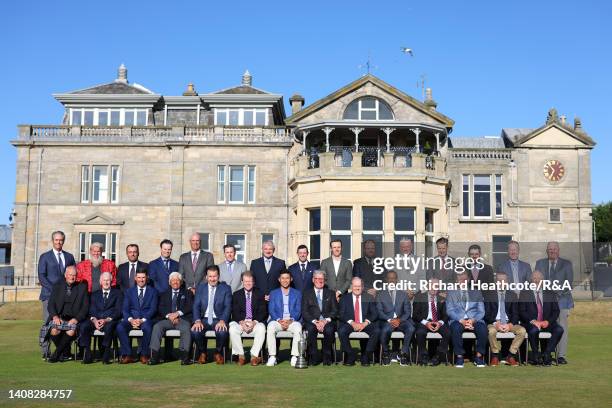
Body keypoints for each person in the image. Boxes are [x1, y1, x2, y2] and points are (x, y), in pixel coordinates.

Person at [38, 231, 76, 356]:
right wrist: (55, 291)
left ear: (63, 241)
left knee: (65, 323)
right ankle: (45, 351)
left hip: (66, 297)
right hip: (49, 295)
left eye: (61, 240)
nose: (59, 242)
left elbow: (72, 274)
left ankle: (65, 350)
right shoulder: (45, 257)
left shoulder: (69, 257)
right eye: (56, 240)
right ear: (52, 240)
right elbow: (42, 276)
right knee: (47, 323)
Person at [535, 241, 573, 365]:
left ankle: (561, 355)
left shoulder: (567, 264)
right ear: (547, 251)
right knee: (545, 325)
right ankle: (547, 352)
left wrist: (556, 294)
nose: (552, 251)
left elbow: (569, 284)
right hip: (545, 301)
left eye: (554, 249)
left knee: (561, 328)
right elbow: (537, 281)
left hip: (562, 301)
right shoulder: (540, 263)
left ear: (558, 250)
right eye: (550, 249)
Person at [519, 270, 564, 366]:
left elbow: (556, 311)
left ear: (543, 281)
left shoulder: (550, 293)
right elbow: (521, 311)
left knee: (559, 330)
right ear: (531, 280)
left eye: (539, 278)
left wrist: (548, 321)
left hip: (547, 322)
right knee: (533, 331)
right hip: (531, 323)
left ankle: (546, 354)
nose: (536, 280)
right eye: (534, 278)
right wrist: (533, 321)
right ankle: (535, 355)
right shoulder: (524, 293)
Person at [149, 272, 193, 366]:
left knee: (186, 328)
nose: (175, 282)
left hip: (182, 319)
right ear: (169, 282)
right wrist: (169, 316)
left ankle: (184, 356)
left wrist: (177, 314)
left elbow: (190, 306)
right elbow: (160, 308)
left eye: (177, 280)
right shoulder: (164, 294)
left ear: (181, 282)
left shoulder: (188, 293)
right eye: (173, 280)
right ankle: (154, 356)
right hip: (167, 320)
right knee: (157, 326)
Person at [46, 266, 89, 363]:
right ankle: (65, 352)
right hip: (59, 317)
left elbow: (85, 308)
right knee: (54, 330)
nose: (72, 277)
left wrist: (76, 319)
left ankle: (56, 354)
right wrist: (55, 316)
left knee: (71, 330)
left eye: (74, 275)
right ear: (65, 275)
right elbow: (51, 304)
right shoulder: (57, 286)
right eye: (70, 275)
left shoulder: (82, 287)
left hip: (73, 319)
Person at [191, 265, 232, 365]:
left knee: (222, 331)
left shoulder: (226, 288)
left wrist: (223, 320)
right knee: (195, 331)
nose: (212, 279)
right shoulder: (200, 288)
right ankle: (203, 353)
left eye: (214, 276)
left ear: (218, 276)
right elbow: (196, 306)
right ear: (206, 277)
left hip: (218, 319)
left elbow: (228, 306)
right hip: (203, 319)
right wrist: (197, 320)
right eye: (210, 276)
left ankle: (217, 353)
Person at [79, 272, 123, 364]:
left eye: (108, 280)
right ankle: (87, 353)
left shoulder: (118, 293)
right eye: (104, 280)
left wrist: (106, 320)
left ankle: (106, 354)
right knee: (84, 326)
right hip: (95, 320)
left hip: (110, 320)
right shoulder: (94, 294)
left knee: (110, 327)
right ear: (100, 281)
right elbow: (91, 310)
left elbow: (118, 311)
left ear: (111, 281)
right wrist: (95, 321)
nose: (106, 282)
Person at [446, 271, 487, 368]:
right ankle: (459, 357)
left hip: (474, 319)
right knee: (456, 329)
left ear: (468, 280)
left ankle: (478, 356)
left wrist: (473, 320)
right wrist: (460, 320)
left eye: (464, 279)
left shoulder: (476, 292)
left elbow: (481, 311)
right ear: (456, 281)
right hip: (458, 320)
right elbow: (450, 310)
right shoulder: (451, 293)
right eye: (460, 280)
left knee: (483, 329)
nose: (463, 282)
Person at [484, 271, 526, 366]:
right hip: (494, 323)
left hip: (509, 323)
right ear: (495, 282)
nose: (501, 282)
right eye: (499, 280)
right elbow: (486, 314)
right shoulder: (489, 295)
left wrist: (510, 324)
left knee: (522, 331)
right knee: (491, 332)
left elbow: (516, 314)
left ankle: (510, 355)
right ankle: (495, 355)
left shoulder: (513, 295)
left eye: (504, 280)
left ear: (507, 282)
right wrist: (496, 323)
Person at [116, 270, 158, 364]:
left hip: (146, 319)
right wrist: (131, 320)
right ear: (135, 278)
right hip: (131, 319)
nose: (141, 280)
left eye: (143, 277)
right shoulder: (129, 291)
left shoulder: (153, 291)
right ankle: (128, 355)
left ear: (147, 278)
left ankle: (144, 355)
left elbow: (153, 309)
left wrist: (142, 320)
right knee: (120, 327)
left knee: (148, 328)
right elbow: (125, 309)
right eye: (139, 277)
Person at [337, 277, 379, 367]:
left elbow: (374, 313)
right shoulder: (344, 298)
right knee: (341, 331)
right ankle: (350, 355)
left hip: (364, 323)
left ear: (363, 287)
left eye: (359, 286)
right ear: (351, 286)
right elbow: (341, 314)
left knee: (376, 331)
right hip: (350, 323)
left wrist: (365, 323)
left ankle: (366, 356)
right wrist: (352, 323)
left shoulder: (369, 297)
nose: (357, 288)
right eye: (355, 286)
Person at [229, 271, 268, 366]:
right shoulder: (236, 294)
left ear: (253, 282)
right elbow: (235, 312)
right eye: (246, 281)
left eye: (250, 281)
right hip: (241, 322)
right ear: (242, 282)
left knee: (262, 328)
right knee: (232, 328)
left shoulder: (260, 293)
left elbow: (263, 312)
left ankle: (254, 356)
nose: (248, 283)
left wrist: (254, 323)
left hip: (254, 322)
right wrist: (242, 323)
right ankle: (241, 355)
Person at [376, 270, 415, 366]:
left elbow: (407, 312)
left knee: (411, 328)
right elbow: (379, 312)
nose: (391, 280)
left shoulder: (403, 295)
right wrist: (390, 320)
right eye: (389, 278)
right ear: (386, 280)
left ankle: (403, 353)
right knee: (384, 330)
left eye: (393, 278)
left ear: (396, 280)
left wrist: (399, 320)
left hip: (401, 321)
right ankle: (386, 353)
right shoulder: (381, 295)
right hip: (387, 321)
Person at [266, 270, 302, 367]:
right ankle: (272, 356)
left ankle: (294, 356)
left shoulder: (297, 293)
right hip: (278, 320)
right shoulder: (273, 293)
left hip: (292, 321)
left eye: (287, 278)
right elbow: (271, 309)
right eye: (283, 278)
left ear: (291, 279)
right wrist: (279, 320)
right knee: (270, 327)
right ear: (279, 279)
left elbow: (298, 310)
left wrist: (291, 320)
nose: (285, 280)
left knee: (298, 328)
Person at [301, 270, 338, 366]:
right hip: (312, 321)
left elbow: (335, 310)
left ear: (325, 280)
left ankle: (327, 357)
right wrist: (315, 322)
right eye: (317, 278)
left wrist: (326, 320)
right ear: (313, 280)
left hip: (327, 321)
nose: (319, 281)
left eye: (321, 279)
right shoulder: (306, 293)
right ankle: (313, 357)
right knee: (311, 330)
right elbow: (305, 311)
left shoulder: (330, 293)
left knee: (329, 330)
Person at [412, 278, 450, 366]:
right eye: (432, 285)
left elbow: (446, 315)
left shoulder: (442, 298)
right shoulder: (420, 297)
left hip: (437, 322)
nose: (434, 288)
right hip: (424, 322)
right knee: (420, 332)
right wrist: (426, 323)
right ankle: (424, 356)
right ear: (428, 286)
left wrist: (440, 323)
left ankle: (438, 355)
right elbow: (415, 314)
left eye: (436, 286)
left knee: (448, 333)